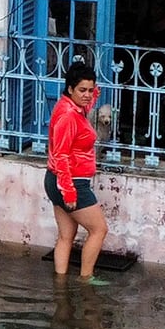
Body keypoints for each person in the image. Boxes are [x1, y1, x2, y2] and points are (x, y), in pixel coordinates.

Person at [46, 61, 110, 283]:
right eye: (82, 90)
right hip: (71, 183)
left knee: (66, 236)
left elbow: (85, 106)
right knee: (99, 229)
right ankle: (86, 279)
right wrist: (70, 192)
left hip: (57, 181)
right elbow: (61, 155)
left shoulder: (69, 107)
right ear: (70, 89)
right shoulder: (69, 116)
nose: (87, 95)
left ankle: (60, 283)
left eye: (90, 90)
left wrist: (92, 96)